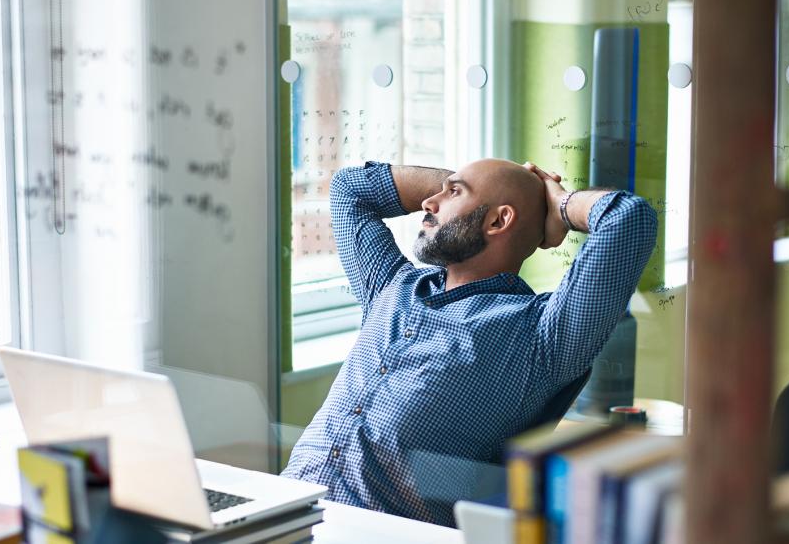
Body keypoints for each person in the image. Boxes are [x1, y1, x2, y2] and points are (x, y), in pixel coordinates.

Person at [281, 159, 657, 526]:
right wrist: (472, 184)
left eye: (452, 193)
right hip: (280, 510)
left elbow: (629, 218)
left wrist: (555, 202)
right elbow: (350, 189)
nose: (429, 202)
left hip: (379, 534)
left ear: (498, 221)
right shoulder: (392, 286)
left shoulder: (542, 335)